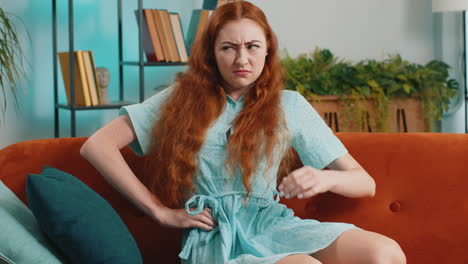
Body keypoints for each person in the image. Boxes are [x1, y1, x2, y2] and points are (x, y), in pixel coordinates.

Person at [80, 1, 406, 263]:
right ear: (211, 53)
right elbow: (97, 146)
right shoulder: (176, 101)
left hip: (273, 223)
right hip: (215, 235)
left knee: (385, 253)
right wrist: (160, 212)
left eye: (252, 46)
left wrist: (325, 178)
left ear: (268, 51)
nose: (242, 59)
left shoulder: (289, 105)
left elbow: (365, 183)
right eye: (228, 48)